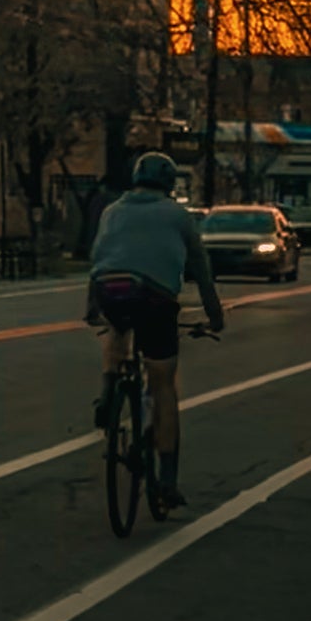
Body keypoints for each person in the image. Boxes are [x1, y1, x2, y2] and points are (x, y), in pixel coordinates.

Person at [88, 151, 224, 514]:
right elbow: (201, 269)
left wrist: (92, 310)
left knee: (116, 326)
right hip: (156, 298)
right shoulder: (177, 216)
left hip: (110, 289)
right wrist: (214, 315)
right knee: (163, 384)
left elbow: (97, 260)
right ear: (168, 184)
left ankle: (107, 391)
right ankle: (167, 480)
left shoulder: (112, 211)